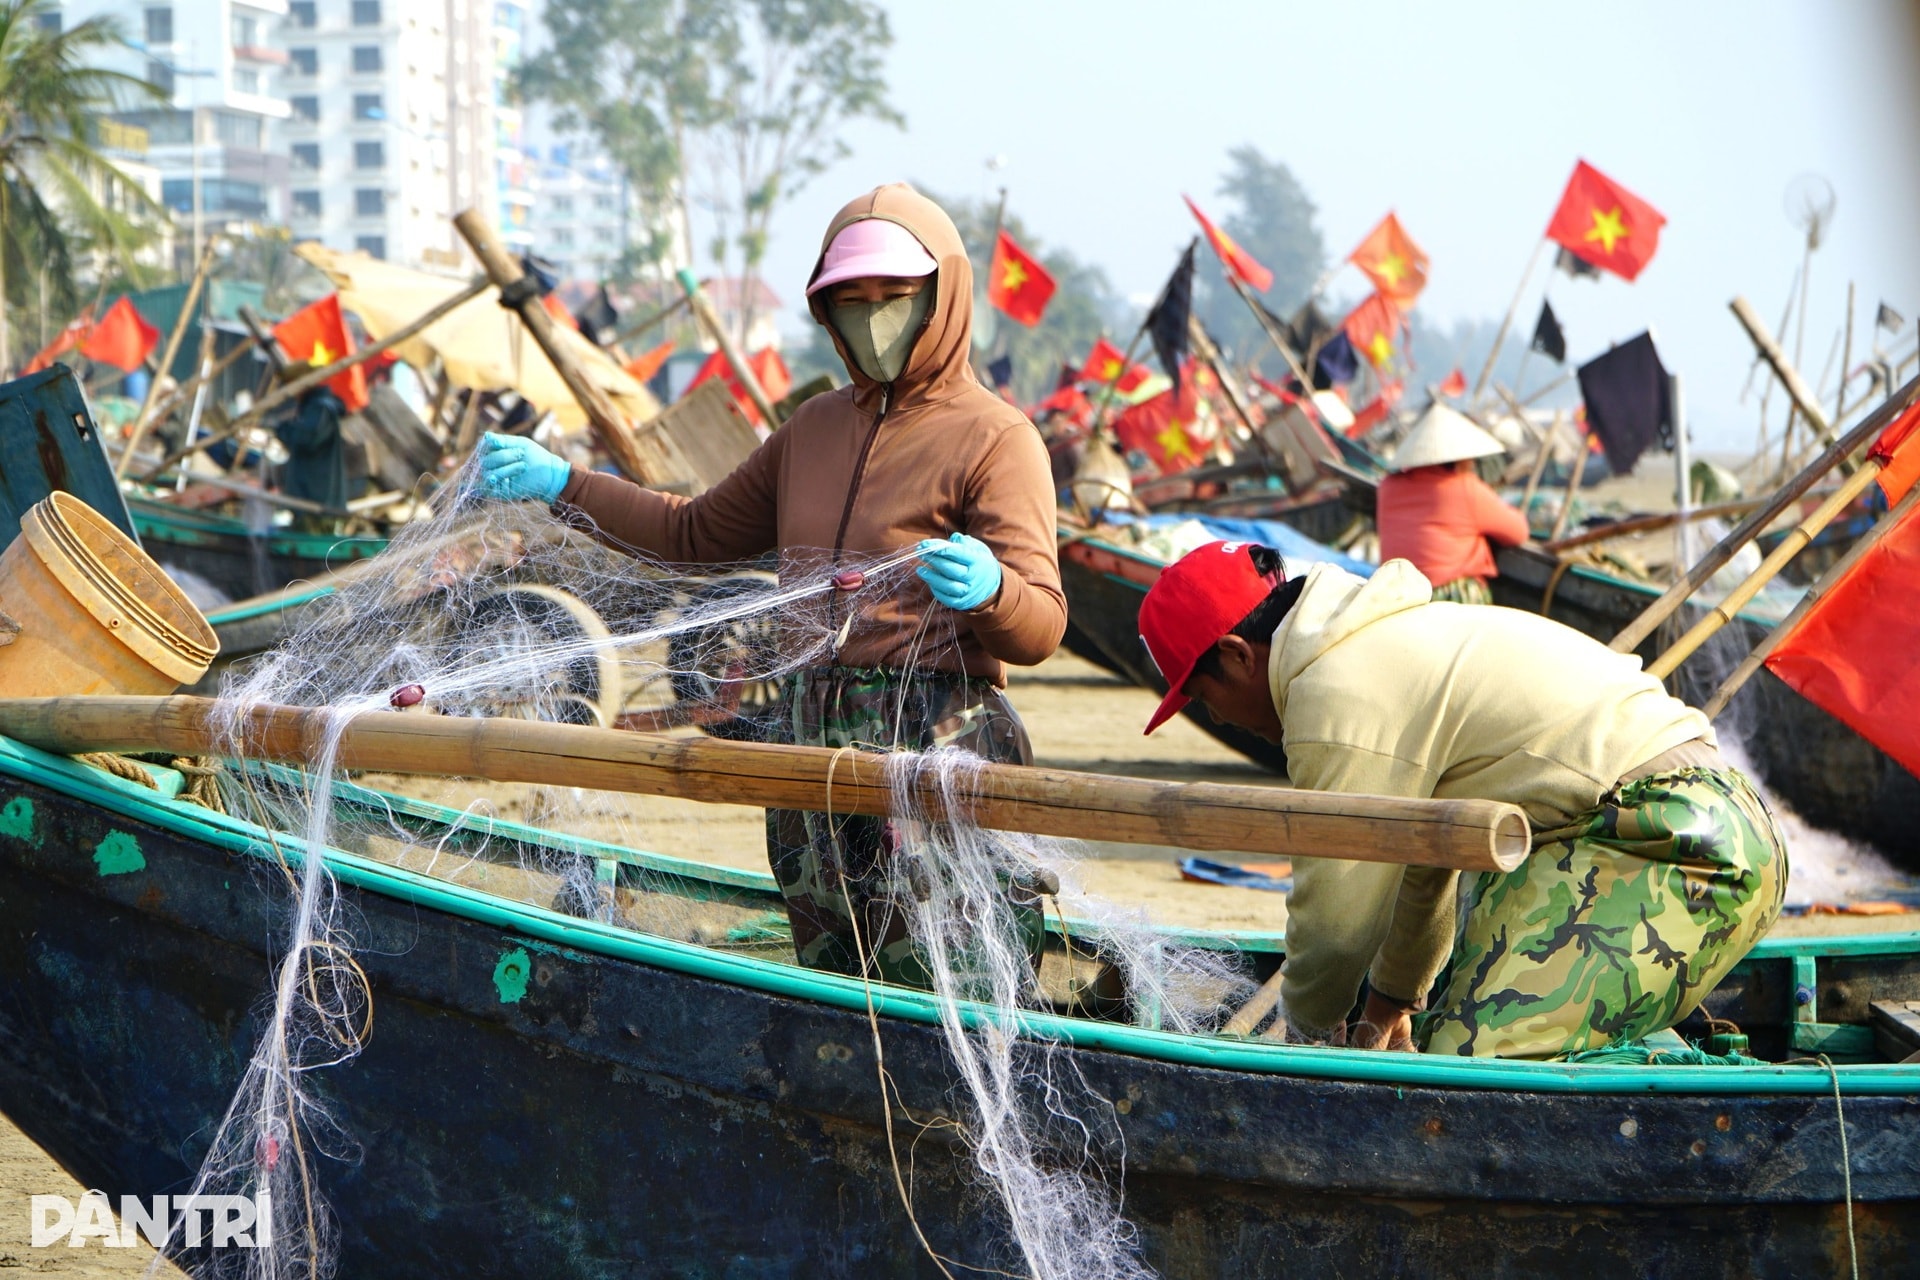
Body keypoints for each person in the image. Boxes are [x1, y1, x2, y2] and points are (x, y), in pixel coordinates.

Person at [473, 183, 1066, 986]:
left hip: (931, 738)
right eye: (852, 302)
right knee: (830, 975)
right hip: (804, 737)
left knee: (951, 978)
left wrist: (995, 591)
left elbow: (1041, 631)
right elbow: (695, 535)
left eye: (895, 298)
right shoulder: (813, 429)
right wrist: (566, 486)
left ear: (942, 295)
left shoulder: (996, 438)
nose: (875, 319)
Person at [1136, 540, 1788, 1059]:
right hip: (1668, 824)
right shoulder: (1370, 642)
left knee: (1468, 1070)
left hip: (1676, 844)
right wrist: (1390, 1003)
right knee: (1445, 1024)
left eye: (1204, 698)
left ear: (1237, 655)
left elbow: (1337, 911)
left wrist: (1301, 1046)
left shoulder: (1332, 689)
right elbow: (1425, 854)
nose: (1219, 721)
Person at [1376, 403, 1530, 603]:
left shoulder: (1387, 487)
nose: (1473, 464)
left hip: (1392, 596)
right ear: (1457, 459)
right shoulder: (1465, 489)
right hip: (1445, 596)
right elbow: (1519, 531)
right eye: (1469, 458)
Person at [272, 363, 350, 522]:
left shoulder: (319, 408)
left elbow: (307, 439)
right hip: (311, 498)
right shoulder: (314, 407)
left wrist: (282, 429)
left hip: (317, 500)